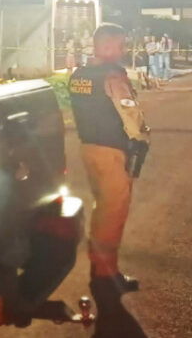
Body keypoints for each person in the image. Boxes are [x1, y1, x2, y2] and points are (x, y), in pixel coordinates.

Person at [68, 23, 150, 294]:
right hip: (111, 152)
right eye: (120, 44)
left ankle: (99, 267)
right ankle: (106, 275)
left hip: (89, 148)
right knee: (113, 213)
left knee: (102, 208)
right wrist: (141, 138)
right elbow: (130, 114)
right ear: (105, 46)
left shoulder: (79, 75)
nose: (124, 49)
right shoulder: (113, 76)